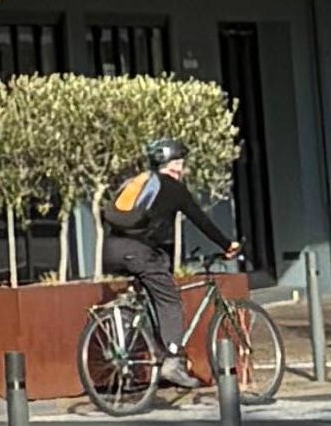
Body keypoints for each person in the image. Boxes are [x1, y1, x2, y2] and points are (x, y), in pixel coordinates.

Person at [97, 134, 235, 390]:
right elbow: (200, 220)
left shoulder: (136, 182)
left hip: (111, 250)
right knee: (170, 299)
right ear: (176, 164)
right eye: (181, 162)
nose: (183, 167)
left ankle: (132, 356)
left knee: (147, 297)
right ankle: (172, 360)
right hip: (138, 252)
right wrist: (227, 245)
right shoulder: (172, 188)